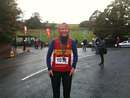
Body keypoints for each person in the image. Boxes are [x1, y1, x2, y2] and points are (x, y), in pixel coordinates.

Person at [46, 23, 78, 98]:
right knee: (56, 94)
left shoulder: (72, 42)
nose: (64, 31)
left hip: (67, 72)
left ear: (68, 30)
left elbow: (76, 55)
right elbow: (48, 56)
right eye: (62, 29)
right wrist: (49, 68)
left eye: (65, 29)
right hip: (55, 72)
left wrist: (73, 67)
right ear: (59, 30)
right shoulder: (54, 41)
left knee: (67, 94)